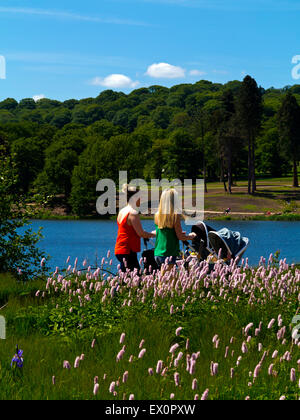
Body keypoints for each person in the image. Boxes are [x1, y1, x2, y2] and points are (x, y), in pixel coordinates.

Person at [115, 184, 155, 272]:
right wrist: (154, 234)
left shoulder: (122, 211)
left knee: (126, 277)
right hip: (128, 250)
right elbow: (140, 233)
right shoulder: (133, 213)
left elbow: (130, 230)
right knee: (135, 278)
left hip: (120, 248)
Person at [154, 188, 196, 271]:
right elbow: (180, 237)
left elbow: (165, 231)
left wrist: (176, 233)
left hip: (158, 252)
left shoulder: (157, 215)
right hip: (169, 252)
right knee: (167, 281)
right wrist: (190, 236)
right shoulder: (174, 215)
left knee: (165, 279)